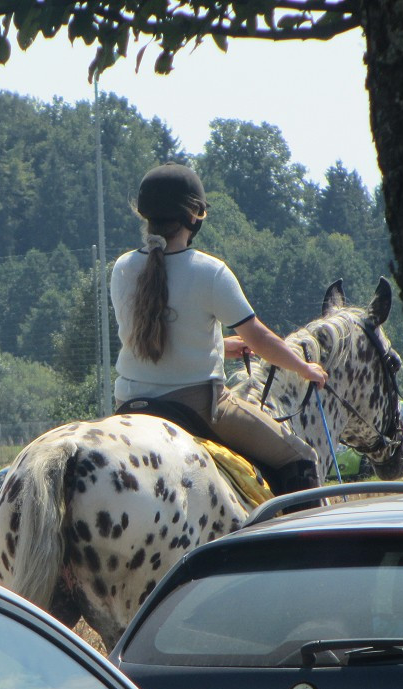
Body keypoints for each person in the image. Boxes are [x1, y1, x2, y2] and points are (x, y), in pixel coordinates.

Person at [109, 163, 328, 496]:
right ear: (194, 215)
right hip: (198, 407)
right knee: (300, 457)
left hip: (128, 403)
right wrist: (304, 367)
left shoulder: (123, 268)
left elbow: (149, 334)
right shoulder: (210, 272)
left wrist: (218, 346)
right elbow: (259, 338)